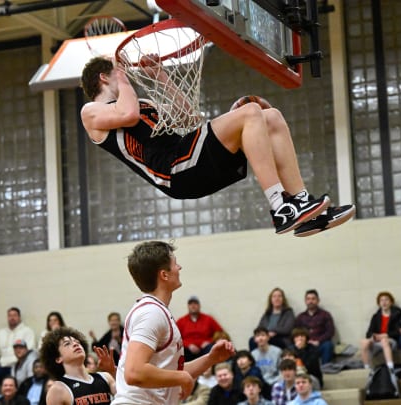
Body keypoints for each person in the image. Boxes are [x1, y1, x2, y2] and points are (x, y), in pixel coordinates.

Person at [79, 56, 357, 238]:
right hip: (174, 171)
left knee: (270, 117)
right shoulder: (91, 111)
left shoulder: (142, 105)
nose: (125, 74)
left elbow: (188, 116)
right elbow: (127, 115)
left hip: (188, 157)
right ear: (104, 77)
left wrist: (161, 76)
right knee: (250, 112)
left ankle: (301, 204)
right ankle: (279, 208)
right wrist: (124, 77)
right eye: (117, 73)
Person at [111, 241, 235, 405]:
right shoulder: (151, 313)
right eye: (175, 263)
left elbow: (169, 373)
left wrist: (210, 359)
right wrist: (183, 378)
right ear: (164, 275)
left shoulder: (156, 311)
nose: (180, 268)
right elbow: (134, 372)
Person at [40, 326, 115, 405]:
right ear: (58, 358)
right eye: (67, 344)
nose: (75, 344)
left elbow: (126, 395)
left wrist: (112, 372)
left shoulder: (105, 377)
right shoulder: (58, 390)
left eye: (77, 342)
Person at [0, 307, 36, 398]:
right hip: (3, 367)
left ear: (19, 317)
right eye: (10, 315)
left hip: (19, 367)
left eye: (14, 315)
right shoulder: (0, 333)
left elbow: (30, 350)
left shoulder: (27, 331)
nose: (12, 318)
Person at [360, 292, 401, 374]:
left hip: (391, 340)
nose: (384, 302)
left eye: (386, 300)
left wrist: (385, 335)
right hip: (378, 340)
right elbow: (369, 333)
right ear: (379, 303)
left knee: (384, 341)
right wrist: (374, 336)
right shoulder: (376, 316)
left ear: (391, 302)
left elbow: (398, 331)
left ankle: (390, 368)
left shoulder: (397, 313)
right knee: (364, 342)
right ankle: (366, 369)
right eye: (381, 300)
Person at [176, 296, 225, 362]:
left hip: (205, 348)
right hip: (188, 349)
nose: (193, 306)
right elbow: (176, 338)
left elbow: (220, 333)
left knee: (211, 348)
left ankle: (209, 371)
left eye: (195, 303)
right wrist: (188, 345)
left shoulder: (208, 319)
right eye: (191, 304)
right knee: (180, 351)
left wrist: (209, 342)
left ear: (199, 306)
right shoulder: (181, 321)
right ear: (188, 306)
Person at [294, 289, 336, 366]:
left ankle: (325, 368)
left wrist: (318, 341)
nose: (311, 301)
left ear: (318, 300)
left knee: (328, 345)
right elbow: (295, 332)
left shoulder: (325, 315)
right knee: (293, 347)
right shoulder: (300, 317)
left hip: (320, 344)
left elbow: (330, 332)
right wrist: (304, 341)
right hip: (305, 345)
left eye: (313, 299)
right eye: (308, 299)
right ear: (305, 301)